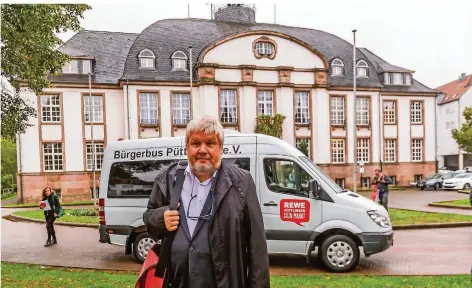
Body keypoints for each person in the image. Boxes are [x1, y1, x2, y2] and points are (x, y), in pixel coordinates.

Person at [143, 115, 270, 288]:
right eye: (196, 143)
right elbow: (149, 219)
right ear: (186, 147)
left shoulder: (242, 182)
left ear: (221, 148)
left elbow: (257, 246)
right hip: (177, 282)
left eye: (210, 143)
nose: (203, 150)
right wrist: (160, 218)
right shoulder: (167, 179)